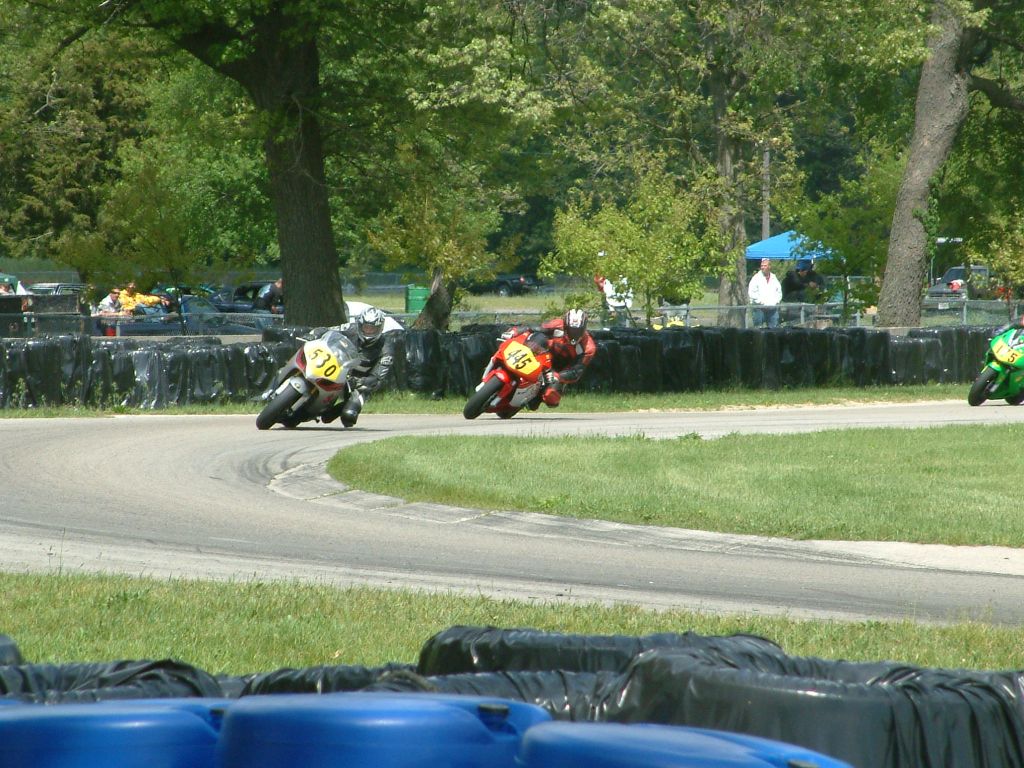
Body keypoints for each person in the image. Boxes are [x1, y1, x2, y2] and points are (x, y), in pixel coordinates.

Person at [314, 306, 399, 427]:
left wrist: (360, 381)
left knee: (348, 417)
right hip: (337, 368)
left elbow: (377, 377)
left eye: (372, 329)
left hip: (359, 382)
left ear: (380, 328)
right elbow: (328, 330)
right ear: (360, 325)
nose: (368, 331)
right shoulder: (351, 328)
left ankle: (337, 409)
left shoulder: (386, 348)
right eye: (366, 327)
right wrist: (313, 334)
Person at [502, 308, 597, 409]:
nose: (574, 334)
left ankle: (535, 397)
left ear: (584, 328)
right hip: (542, 355)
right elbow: (534, 328)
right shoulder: (557, 324)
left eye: (577, 331)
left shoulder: (589, 348)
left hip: (557, 371)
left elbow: (576, 371)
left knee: (551, 398)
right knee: (539, 336)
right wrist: (514, 331)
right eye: (571, 330)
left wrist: (558, 376)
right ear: (565, 326)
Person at [747, 258, 782, 328]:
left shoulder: (774, 278)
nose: (763, 267)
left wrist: (776, 301)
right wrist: (760, 302)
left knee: (774, 329)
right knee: (758, 329)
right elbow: (751, 293)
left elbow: (779, 292)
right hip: (759, 308)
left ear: (769, 266)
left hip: (772, 308)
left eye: (765, 265)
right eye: (762, 266)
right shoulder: (756, 278)